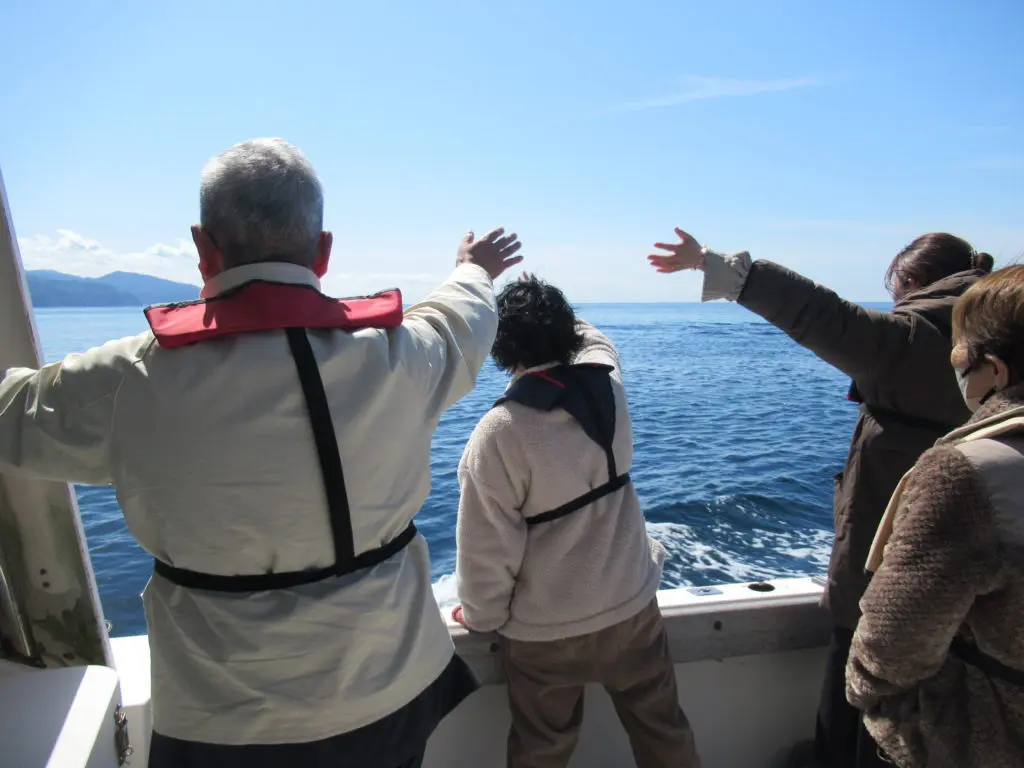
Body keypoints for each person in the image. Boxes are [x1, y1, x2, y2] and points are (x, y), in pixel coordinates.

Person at [0, 137, 524, 768]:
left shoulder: (128, 381)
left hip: (224, 721)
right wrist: (472, 268)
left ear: (202, 248)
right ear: (323, 252)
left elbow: (12, 415)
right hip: (394, 692)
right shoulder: (401, 356)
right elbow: (460, 316)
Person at [647, 229, 993, 768]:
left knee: (856, 699)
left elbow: (822, 314)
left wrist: (716, 266)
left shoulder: (918, 338)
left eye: (896, 289)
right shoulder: (997, 340)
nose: (894, 302)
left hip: (889, 566)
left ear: (914, 282)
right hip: (973, 576)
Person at [451, 274, 702, 768]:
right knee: (663, 731)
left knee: (541, 750)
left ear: (500, 346)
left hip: (546, 632)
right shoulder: (607, 384)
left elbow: (486, 549)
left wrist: (480, 618)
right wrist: (558, 319)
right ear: (568, 332)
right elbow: (597, 341)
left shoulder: (499, 431)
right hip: (630, 607)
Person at [846, 265, 1024, 767]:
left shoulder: (968, 474)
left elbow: (893, 640)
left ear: (995, 370)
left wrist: (870, 696)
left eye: (959, 353)